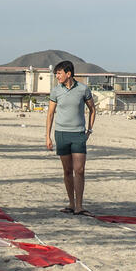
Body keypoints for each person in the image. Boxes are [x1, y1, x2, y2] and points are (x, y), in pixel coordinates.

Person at [44, 60, 97, 214]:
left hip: (79, 134)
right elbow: (50, 114)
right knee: (67, 170)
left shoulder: (83, 89)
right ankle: (71, 204)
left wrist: (89, 130)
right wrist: (48, 137)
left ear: (68, 74)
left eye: (59, 73)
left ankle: (80, 206)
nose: (57, 76)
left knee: (79, 170)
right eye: (56, 73)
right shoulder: (55, 91)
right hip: (61, 134)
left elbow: (92, 109)